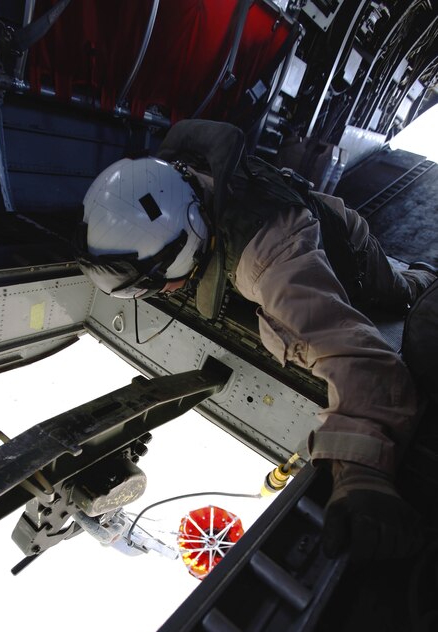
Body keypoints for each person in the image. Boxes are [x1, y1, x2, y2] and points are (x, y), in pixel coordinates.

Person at [73, 119, 436, 562]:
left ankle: (425, 277)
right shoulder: (167, 180)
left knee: (403, 292)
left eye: (153, 283)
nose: (155, 293)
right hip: (302, 211)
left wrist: (360, 474)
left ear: (190, 233)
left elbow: (362, 361)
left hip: (350, 250)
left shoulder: (271, 259)